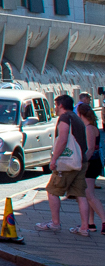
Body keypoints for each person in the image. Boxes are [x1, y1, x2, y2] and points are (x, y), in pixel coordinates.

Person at [37, 94, 89, 234]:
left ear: (60, 105)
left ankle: (55, 223)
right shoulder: (76, 118)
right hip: (80, 161)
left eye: (56, 104)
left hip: (67, 162)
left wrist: (54, 159)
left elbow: (63, 138)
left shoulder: (65, 118)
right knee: (80, 194)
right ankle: (85, 227)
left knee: (52, 191)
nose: (55, 107)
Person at [77, 94, 103, 234]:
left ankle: (104, 221)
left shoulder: (88, 128)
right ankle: (90, 223)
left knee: (89, 194)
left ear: (81, 114)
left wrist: (82, 162)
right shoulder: (93, 127)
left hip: (91, 163)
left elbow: (91, 148)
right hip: (95, 162)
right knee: (89, 193)